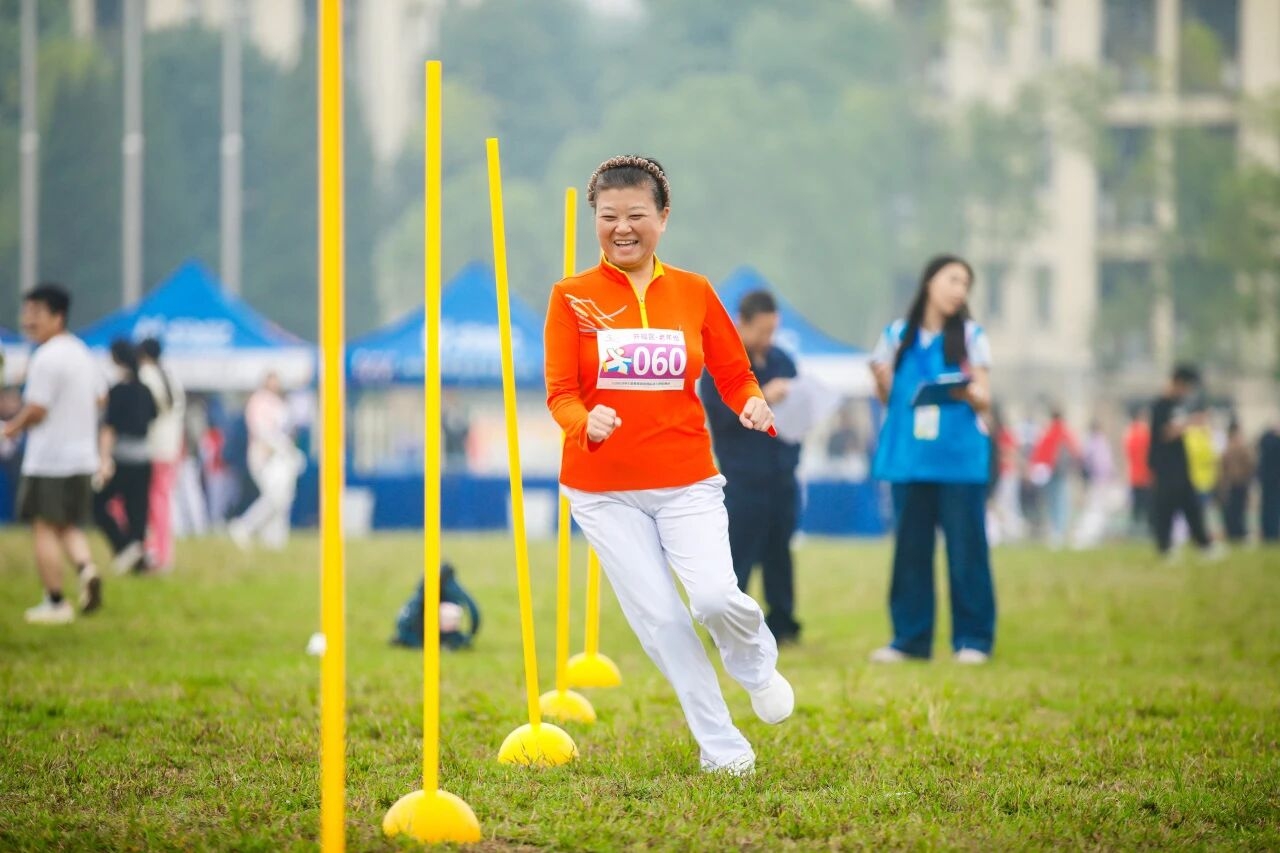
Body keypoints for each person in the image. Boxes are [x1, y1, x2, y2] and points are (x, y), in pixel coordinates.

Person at [544, 154, 793, 775]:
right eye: (608, 217)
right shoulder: (571, 297)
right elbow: (560, 393)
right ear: (594, 220)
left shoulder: (694, 291)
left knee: (714, 596)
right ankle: (723, 748)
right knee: (662, 620)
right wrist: (584, 421)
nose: (621, 228)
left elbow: (734, 373)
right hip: (602, 490)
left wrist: (752, 403)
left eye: (635, 215)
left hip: (686, 480)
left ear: (663, 217)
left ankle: (754, 665)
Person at [868, 254, 996, 665]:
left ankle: (973, 639)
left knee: (966, 552)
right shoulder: (896, 335)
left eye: (966, 285)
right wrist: (881, 382)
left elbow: (985, 397)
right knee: (910, 552)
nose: (960, 291)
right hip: (909, 460)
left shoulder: (972, 336)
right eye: (953, 280)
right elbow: (888, 399)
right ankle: (910, 639)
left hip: (958, 461)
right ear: (929, 282)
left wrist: (971, 392)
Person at [700, 289, 803, 646]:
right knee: (737, 556)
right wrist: (762, 396)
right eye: (761, 331)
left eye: (772, 331)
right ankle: (729, 627)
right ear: (741, 324)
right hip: (742, 478)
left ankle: (783, 623)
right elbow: (719, 417)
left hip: (782, 475)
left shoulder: (783, 361)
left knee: (780, 554)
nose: (767, 339)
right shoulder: (720, 365)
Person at [2, 284, 106, 623]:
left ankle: (55, 600)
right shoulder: (82, 353)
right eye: (26, 312)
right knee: (66, 524)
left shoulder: (46, 357)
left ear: (57, 316)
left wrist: (10, 428)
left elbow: (37, 409)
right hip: (83, 456)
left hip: (50, 459)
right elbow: (100, 398)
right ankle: (87, 569)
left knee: (44, 526)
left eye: (36, 313)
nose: (28, 321)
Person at [94, 340, 158, 574]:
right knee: (137, 511)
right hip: (144, 458)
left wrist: (104, 459)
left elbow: (108, 428)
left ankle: (125, 548)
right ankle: (137, 555)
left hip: (121, 458)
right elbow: (153, 417)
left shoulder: (118, 391)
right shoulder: (145, 390)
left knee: (98, 504)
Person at [1148, 365, 1220, 560]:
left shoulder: (1179, 405)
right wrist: (1190, 422)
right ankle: (1165, 547)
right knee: (1165, 507)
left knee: (1191, 505)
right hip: (1164, 466)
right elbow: (1164, 433)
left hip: (1180, 465)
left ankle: (1203, 544)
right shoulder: (1160, 406)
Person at [228, 372, 304, 550]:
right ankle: (244, 526)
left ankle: (274, 538)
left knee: (283, 497)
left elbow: (289, 429)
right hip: (263, 456)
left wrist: (287, 447)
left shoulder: (280, 403)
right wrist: (279, 445)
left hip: (281, 457)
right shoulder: (258, 401)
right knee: (274, 497)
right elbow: (261, 431)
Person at [138, 338, 185, 572]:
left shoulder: (146, 375)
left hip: (152, 447)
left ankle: (152, 552)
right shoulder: (171, 376)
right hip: (171, 448)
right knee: (162, 501)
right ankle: (164, 554)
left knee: (149, 503)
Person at [1028, 408, 1080, 548]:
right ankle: (1061, 530)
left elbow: (1039, 452)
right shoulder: (1065, 432)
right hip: (1061, 472)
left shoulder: (1048, 431)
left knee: (1052, 501)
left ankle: (1056, 530)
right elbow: (1075, 451)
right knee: (1061, 500)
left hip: (1048, 472)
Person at [1072, 419, 1115, 549]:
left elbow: (1084, 461)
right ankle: (1090, 534)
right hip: (1099, 480)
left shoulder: (1092, 443)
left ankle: (1092, 534)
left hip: (1097, 480)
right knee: (1095, 508)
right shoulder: (1100, 443)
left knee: (1095, 508)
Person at [1217, 421, 1254, 544]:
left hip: (1240, 483)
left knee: (1239, 510)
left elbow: (1249, 466)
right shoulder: (1228, 450)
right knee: (1232, 510)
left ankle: (1239, 533)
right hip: (1231, 484)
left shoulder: (1241, 449)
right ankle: (1234, 534)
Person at [1124, 408, 1153, 536]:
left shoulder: (1129, 434)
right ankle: (1147, 532)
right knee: (1147, 507)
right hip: (1145, 476)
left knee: (1137, 508)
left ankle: (1136, 531)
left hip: (1134, 476)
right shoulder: (1143, 434)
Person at [1259, 419, 1280, 542]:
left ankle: (1269, 532)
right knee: (1272, 508)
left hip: (1268, 480)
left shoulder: (1266, 440)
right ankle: (1271, 533)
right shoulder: (1272, 441)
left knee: (1268, 508)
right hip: (1273, 480)